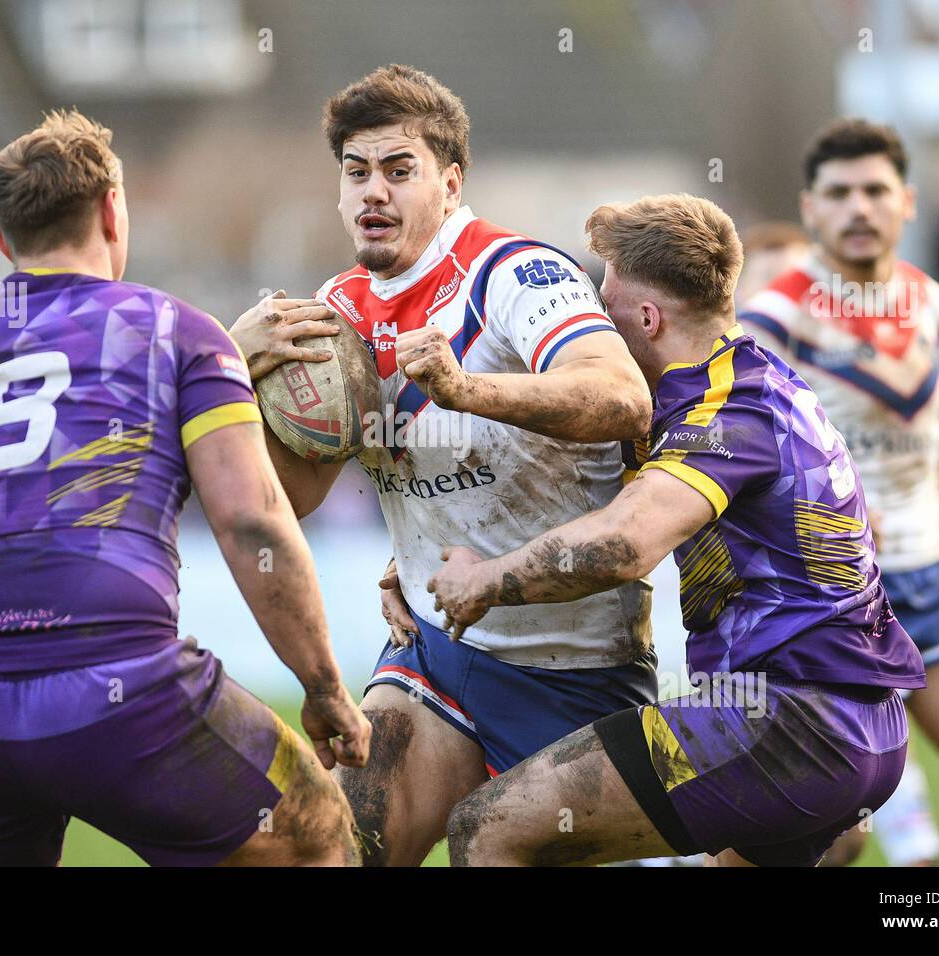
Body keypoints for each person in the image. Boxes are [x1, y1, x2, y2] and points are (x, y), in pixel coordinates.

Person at [0, 109, 369, 867]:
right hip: (123, 686)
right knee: (317, 836)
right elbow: (252, 523)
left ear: (2, 238)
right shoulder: (179, 334)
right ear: (112, 211)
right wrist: (324, 686)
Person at [229, 65, 659, 866]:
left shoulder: (515, 274)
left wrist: (466, 389)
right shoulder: (335, 310)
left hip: (575, 669)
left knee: (488, 847)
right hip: (438, 653)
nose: (373, 192)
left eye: (400, 170)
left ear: (451, 182)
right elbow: (298, 495)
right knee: (338, 851)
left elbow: (622, 397)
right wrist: (235, 380)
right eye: (356, 172)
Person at [429, 193, 926, 867]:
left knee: (489, 828)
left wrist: (481, 581)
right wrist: (422, 557)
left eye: (604, 307)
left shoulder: (725, 411)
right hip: (855, 725)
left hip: (785, 720)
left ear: (648, 318)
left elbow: (621, 545)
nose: (595, 325)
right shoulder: (749, 383)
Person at [738, 119, 939, 865]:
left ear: (906, 202)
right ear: (810, 208)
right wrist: (824, 512)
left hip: (928, 578)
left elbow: (929, 436)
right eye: (838, 192)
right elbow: (737, 462)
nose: (859, 207)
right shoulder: (771, 321)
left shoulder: (932, 302)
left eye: (875, 190)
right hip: (825, 598)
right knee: (830, 838)